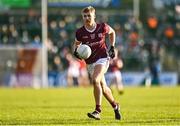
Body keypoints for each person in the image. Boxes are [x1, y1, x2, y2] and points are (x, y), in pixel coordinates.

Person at [73, 6, 121, 120]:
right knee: (103, 88)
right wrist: (76, 52)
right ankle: (115, 106)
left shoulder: (102, 27)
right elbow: (76, 44)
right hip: (90, 62)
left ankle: (97, 110)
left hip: (103, 58)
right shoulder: (80, 32)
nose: (87, 18)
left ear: (94, 16)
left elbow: (112, 32)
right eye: (84, 16)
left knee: (95, 80)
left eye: (89, 15)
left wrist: (112, 46)